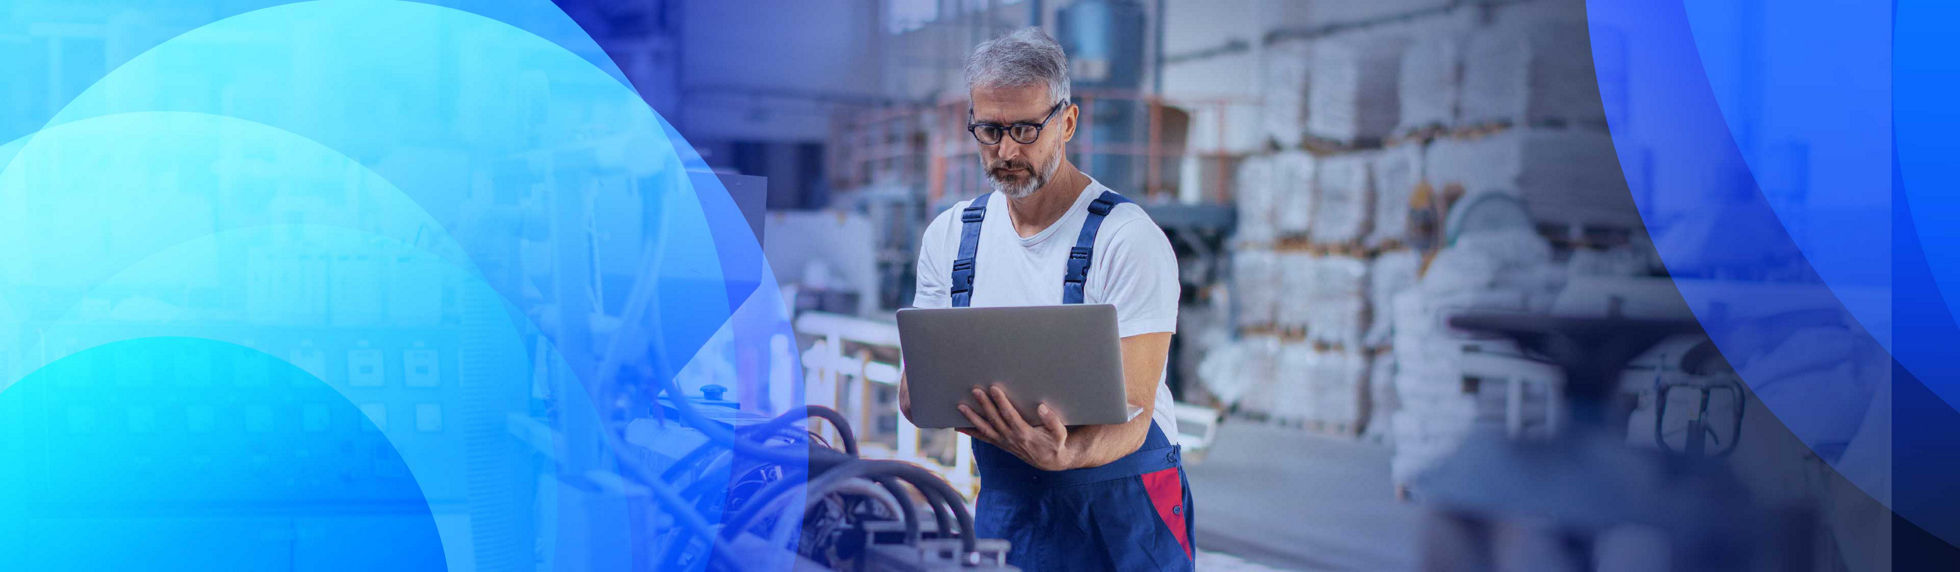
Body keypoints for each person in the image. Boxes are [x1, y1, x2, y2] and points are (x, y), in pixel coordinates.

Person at [898, 27, 1195, 570]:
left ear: (1067, 123)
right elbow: (916, 394)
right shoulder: (951, 236)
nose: (1007, 150)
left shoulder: (1126, 238)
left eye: (1025, 129)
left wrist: (1069, 454)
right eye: (989, 130)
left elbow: (1135, 410)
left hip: (1120, 507)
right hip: (1009, 501)